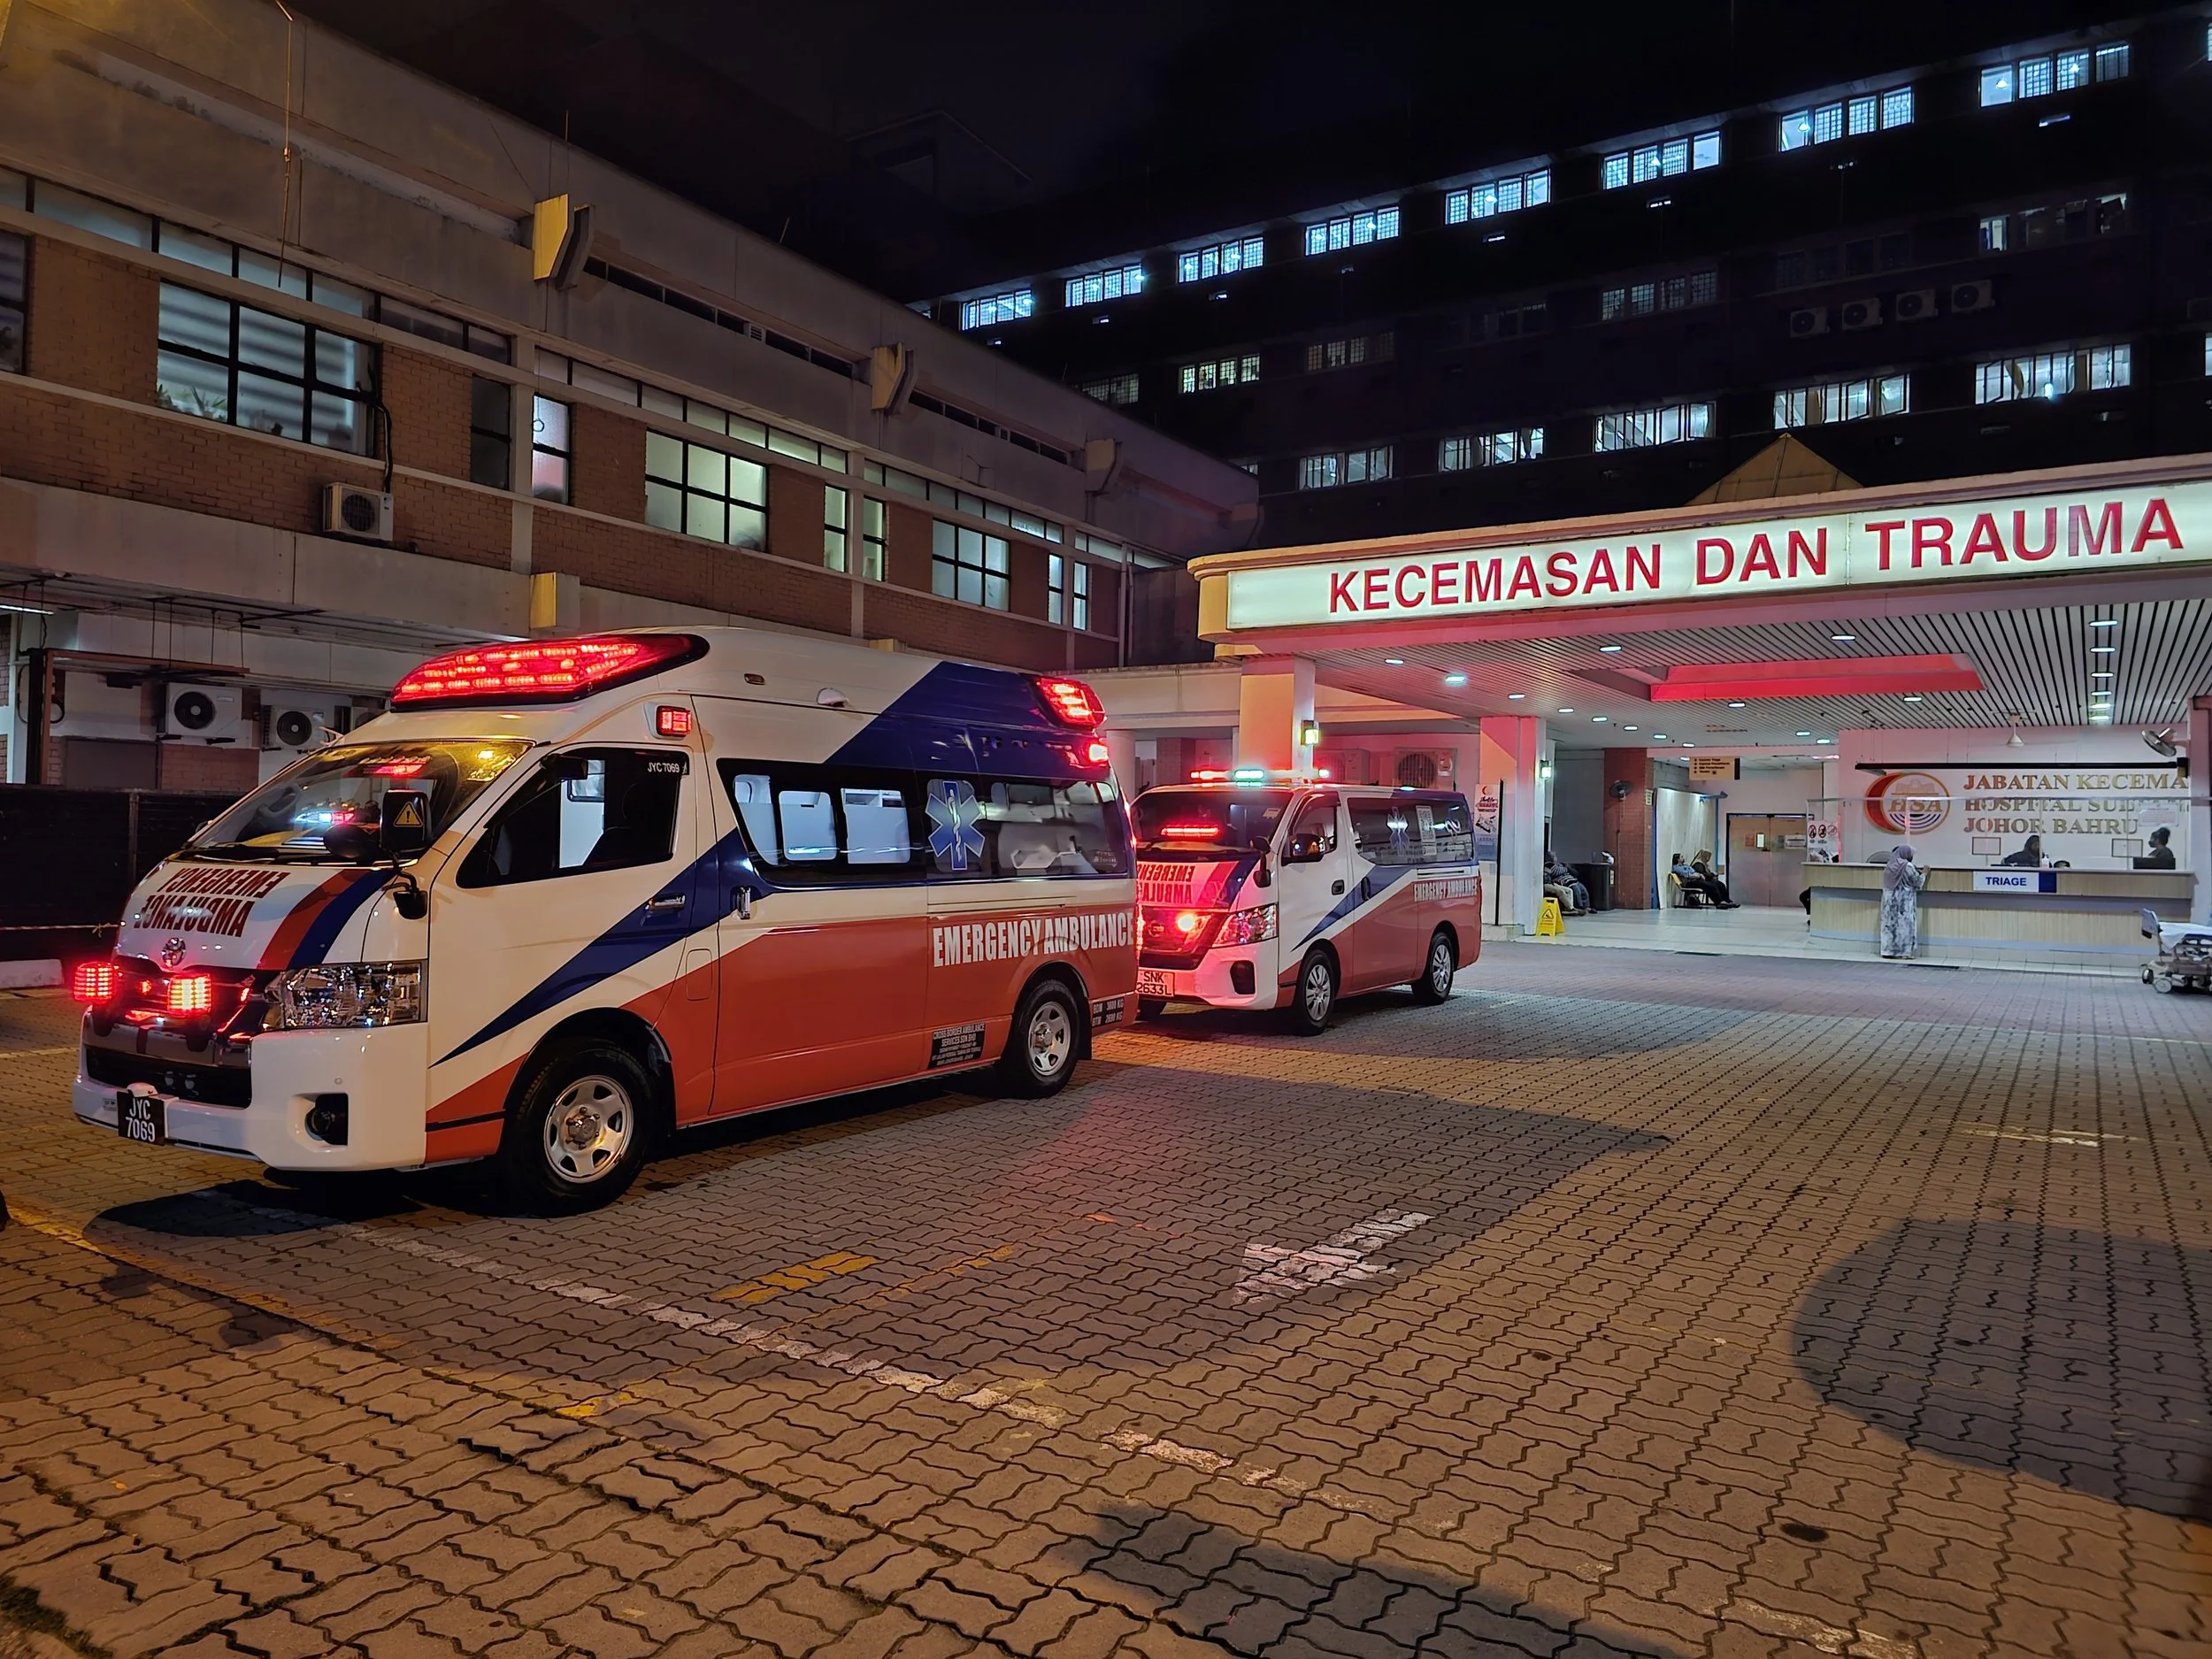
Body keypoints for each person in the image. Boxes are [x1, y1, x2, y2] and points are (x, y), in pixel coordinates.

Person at [1879, 842, 1928, 959]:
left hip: (1888, 901)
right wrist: (1925, 873)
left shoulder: (1890, 865)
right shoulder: (1907, 866)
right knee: (1904, 926)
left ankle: (1888, 951)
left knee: (1889, 926)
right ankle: (1904, 953)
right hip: (1903, 902)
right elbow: (1917, 882)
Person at [1670, 851, 1737, 908]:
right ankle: (1718, 903)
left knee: (1719, 884)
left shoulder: (1685, 865)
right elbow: (1687, 875)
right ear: (1677, 859)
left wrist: (1699, 875)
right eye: (1681, 857)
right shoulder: (1677, 868)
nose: (1683, 858)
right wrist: (1698, 875)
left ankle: (1727, 900)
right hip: (1690, 882)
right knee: (1709, 886)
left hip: (1696, 879)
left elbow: (1694, 872)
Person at [1543, 850, 1589, 914]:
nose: (1556, 858)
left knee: (1582, 888)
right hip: (1561, 881)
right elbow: (1557, 871)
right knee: (1575, 888)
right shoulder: (1548, 865)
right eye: (1555, 856)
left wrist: (1566, 869)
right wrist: (1567, 869)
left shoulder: (1558, 864)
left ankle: (1585, 906)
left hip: (1570, 879)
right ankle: (1578, 906)